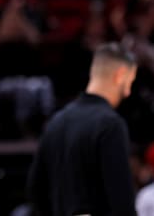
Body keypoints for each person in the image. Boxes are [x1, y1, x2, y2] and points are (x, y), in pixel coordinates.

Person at [27, 42, 138, 216]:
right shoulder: (110, 124)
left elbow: (35, 189)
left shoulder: (56, 121)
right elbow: (121, 198)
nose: (128, 92)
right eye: (129, 83)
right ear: (120, 75)